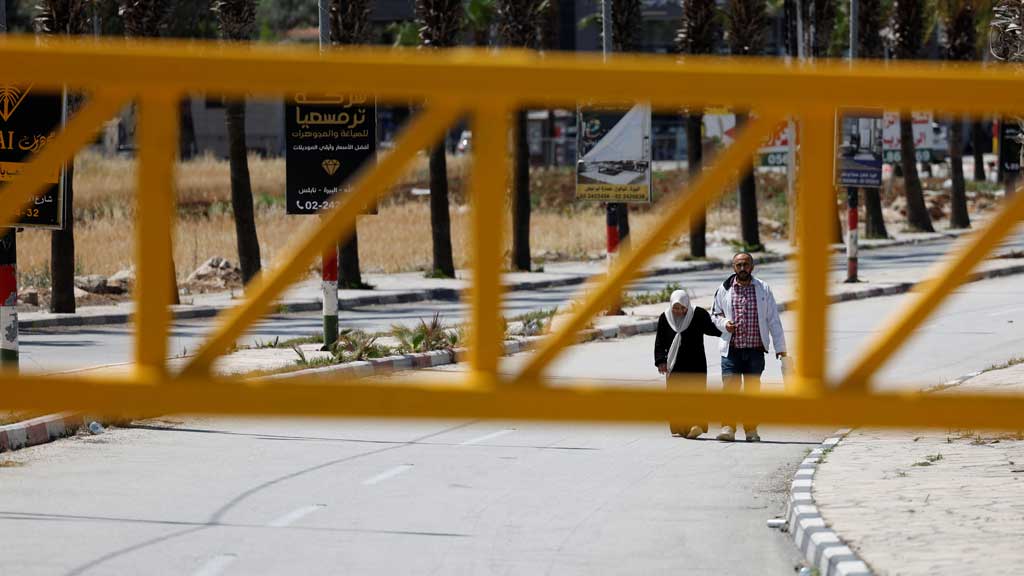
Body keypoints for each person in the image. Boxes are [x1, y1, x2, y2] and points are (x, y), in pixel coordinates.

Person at [711, 252, 787, 442]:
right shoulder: (724, 289)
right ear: (733, 267)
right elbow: (714, 315)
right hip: (732, 350)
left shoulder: (763, 289)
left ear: (752, 267)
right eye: (739, 265)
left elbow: (773, 319)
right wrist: (724, 324)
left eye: (746, 264)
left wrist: (780, 347)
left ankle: (751, 430)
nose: (742, 268)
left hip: (755, 350)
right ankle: (728, 427)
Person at [654, 289, 722, 439]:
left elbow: (711, 328)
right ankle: (682, 427)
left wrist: (725, 329)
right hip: (675, 364)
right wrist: (660, 361)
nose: (679, 311)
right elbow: (660, 341)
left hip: (695, 363)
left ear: (687, 305)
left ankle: (696, 425)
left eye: (682, 308)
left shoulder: (697, 315)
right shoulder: (665, 318)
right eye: (676, 308)